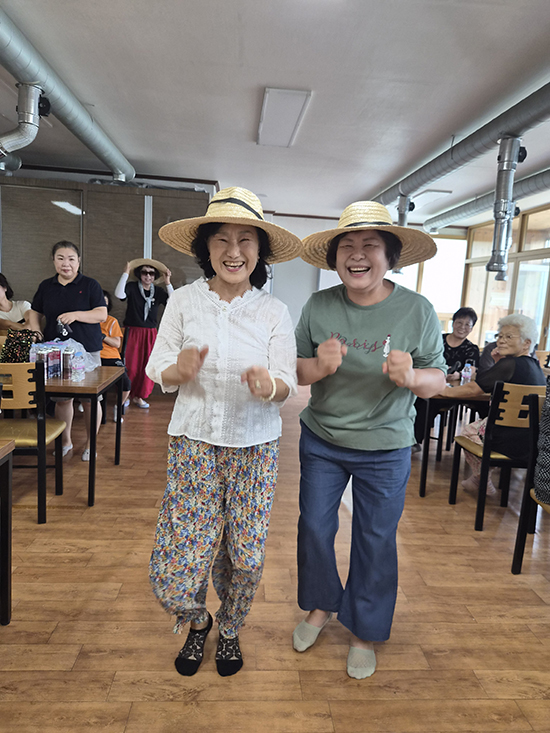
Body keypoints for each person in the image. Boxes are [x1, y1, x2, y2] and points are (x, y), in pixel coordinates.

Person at [146, 187, 301, 677]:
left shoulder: (274, 311)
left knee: (246, 555)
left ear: (260, 250)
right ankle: (197, 620)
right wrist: (178, 371)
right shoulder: (184, 301)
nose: (234, 251)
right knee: (181, 559)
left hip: (255, 447)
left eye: (245, 240)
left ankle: (230, 628)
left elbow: (287, 380)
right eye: (222, 240)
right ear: (206, 248)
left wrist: (270, 386)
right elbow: (156, 365)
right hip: (193, 442)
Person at [293, 200, 447, 679]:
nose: (357, 255)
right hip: (323, 439)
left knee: (375, 539)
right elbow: (294, 369)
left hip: (386, 445)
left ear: (390, 257)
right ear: (335, 257)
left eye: (370, 245)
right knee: (314, 527)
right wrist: (318, 366)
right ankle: (322, 604)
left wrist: (413, 377)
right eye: (347, 246)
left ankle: (364, 628)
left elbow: (438, 378)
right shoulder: (319, 305)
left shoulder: (417, 309)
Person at [439, 313, 545, 495]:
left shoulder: (510, 364)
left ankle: (482, 478)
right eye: (500, 336)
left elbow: (474, 388)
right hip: (530, 440)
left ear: (526, 343)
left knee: (468, 432)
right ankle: (479, 479)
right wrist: (498, 363)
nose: (501, 341)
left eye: (509, 337)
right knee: (484, 426)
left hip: (505, 440)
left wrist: (443, 391)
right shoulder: (535, 366)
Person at [28, 241, 107, 460]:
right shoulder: (46, 286)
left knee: (90, 400)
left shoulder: (90, 285)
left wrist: (76, 315)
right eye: (60, 258)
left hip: (88, 351)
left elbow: (101, 314)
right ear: (53, 260)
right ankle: (65, 442)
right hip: (56, 352)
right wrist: (36, 330)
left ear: (78, 261)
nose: (66, 264)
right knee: (62, 399)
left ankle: (91, 444)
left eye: (71, 259)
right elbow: (35, 311)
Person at [413, 306, 480, 447]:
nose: (462, 327)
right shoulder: (438, 340)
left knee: (428, 404)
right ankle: (406, 438)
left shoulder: (471, 348)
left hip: (452, 390)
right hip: (430, 382)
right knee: (418, 400)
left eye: (467, 325)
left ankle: (415, 441)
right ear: (453, 323)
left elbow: (472, 369)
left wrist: (458, 374)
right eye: (459, 323)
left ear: (471, 328)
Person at [114, 258, 173, 409]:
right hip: (132, 332)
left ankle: (139, 396)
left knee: (147, 366)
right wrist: (125, 273)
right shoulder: (132, 287)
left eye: (151, 273)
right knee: (131, 366)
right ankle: (126, 395)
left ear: (155, 276)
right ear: (139, 274)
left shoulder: (158, 291)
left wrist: (167, 282)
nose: (148, 276)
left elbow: (173, 302)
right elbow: (119, 294)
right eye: (144, 272)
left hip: (150, 333)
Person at [100, 290, 131, 422]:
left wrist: (102, 336)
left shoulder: (111, 321)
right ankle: (89, 403)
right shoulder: (87, 320)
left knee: (126, 384)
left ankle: (118, 406)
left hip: (111, 357)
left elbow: (117, 343)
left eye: (105, 303)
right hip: (92, 357)